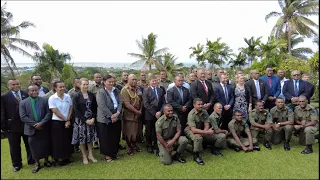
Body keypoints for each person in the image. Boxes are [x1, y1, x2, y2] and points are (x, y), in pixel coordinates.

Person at [1, 78, 34, 172]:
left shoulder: (25, 94)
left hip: (26, 124)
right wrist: (3, 126)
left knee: (29, 143)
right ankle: (17, 164)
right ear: (9, 86)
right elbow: (2, 112)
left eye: (17, 84)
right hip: (12, 126)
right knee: (14, 146)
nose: (16, 86)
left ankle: (31, 160)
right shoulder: (4, 97)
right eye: (13, 84)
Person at [19, 85, 52, 173]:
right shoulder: (23, 103)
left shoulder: (44, 100)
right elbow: (23, 117)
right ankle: (37, 163)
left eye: (36, 90)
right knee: (33, 146)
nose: (34, 92)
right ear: (28, 92)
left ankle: (46, 161)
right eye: (32, 91)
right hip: (31, 129)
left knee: (45, 144)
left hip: (43, 127)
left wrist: (41, 123)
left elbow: (49, 113)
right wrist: (34, 124)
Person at [96, 75, 123, 161]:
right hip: (105, 119)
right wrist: (111, 115)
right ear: (104, 82)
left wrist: (118, 113)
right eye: (109, 82)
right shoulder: (101, 92)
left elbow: (120, 102)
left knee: (115, 136)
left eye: (112, 82)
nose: (111, 83)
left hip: (116, 116)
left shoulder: (116, 91)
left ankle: (114, 153)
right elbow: (102, 106)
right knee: (106, 138)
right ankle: (107, 155)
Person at [71, 78, 98, 164]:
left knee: (90, 138)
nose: (86, 86)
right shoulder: (76, 96)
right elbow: (76, 110)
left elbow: (94, 107)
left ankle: (90, 155)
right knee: (82, 139)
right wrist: (85, 120)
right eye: (84, 84)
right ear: (80, 85)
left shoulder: (91, 95)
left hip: (91, 120)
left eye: (87, 84)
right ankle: (84, 156)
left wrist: (93, 118)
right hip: (81, 121)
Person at [48, 81, 73, 166]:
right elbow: (55, 111)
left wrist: (68, 119)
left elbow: (70, 108)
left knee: (67, 139)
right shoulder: (52, 98)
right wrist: (65, 120)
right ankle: (59, 158)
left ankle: (67, 157)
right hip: (57, 122)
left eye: (63, 86)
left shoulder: (67, 96)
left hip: (68, 121)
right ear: (55, 88)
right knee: (58, 141)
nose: (62, 88)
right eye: (60, 87)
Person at [184, 98, 213, 165]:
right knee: (198, 138)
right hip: (190, 129)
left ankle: (209, 147)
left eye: (202, 104)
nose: (201, 106)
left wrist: (204, 132)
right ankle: (196, 155)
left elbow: (207, 124)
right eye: (198, 104)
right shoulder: (191, 114)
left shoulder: (204, 111)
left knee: (210, 135)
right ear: (194, 105)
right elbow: (193, 130)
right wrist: (206, 132)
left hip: (199, 129)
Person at [120, 74, 143, 156]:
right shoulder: (125, 90)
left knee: (136, 131)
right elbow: (127, 104)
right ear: (128, 80)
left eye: (135, 79)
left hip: (138, 114)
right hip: (129, 115)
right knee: (129, 132)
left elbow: (141, 101)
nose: (134, 81)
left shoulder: (138, 89)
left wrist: (140, 111)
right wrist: (137, 112)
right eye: (132, 79)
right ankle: (129, 147)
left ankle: (134, 145)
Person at [143, 75, 165, 156]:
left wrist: (160, 111)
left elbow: (163, 102)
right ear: (149, 81)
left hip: (159, 114)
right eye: (153, 81)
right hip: (149, 114)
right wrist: (154, 113)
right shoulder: (146, 90)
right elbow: (146, 104)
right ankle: (149, 145)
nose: (155, 82)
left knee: (157, 130)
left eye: (156, 80)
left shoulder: (160, 90)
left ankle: (156, 144)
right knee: (149, 130)